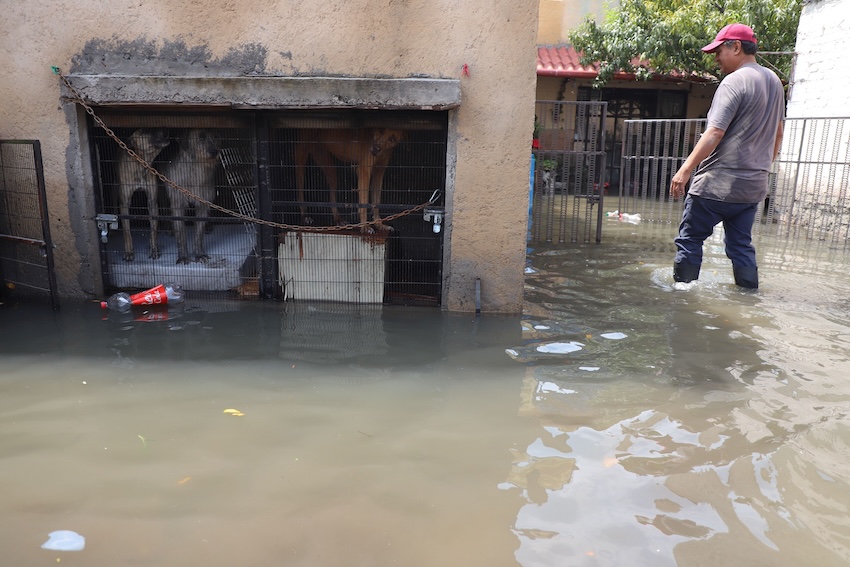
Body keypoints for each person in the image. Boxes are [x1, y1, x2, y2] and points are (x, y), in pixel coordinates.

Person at [670, 23, 785, 289]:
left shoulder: (734, 81)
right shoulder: (774, 82)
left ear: (735, 46)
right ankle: (748, 296)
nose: (716, 59)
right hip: (753, 187)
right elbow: (778, 133)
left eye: (719, 51)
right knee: (741, 245)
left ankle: (681, 300)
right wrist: (761, 167)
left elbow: (714, 133)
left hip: (716, 184)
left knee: (690, 240)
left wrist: (685, 170)